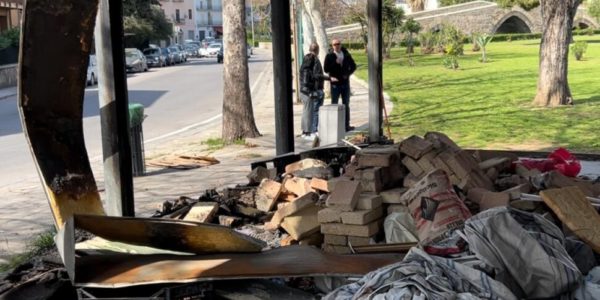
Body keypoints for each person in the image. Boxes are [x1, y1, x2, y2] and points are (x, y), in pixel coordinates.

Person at [299, 42, 337, 140]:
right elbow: (316, 75)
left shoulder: (306, 59)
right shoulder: (313, 59)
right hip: (308, 90)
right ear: (317, 50)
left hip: (304, 89)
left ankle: (305, 132)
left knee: (306, 111)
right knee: (310, 111)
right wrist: (329, 78)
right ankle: (308, 132)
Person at [324, 38, 357, 132]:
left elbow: (354, 66)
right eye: (334, 44)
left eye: (338, 44)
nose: (337, 46)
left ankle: (346, 125)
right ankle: (334, 126)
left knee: (346, 104)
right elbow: (326, 69)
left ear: (341, 44)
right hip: (335, 84)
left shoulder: (346, 54)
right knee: (334, 104)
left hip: (345, 84)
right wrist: (335, 63)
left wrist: (348, 74)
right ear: (332, 46)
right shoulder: (329, 56)